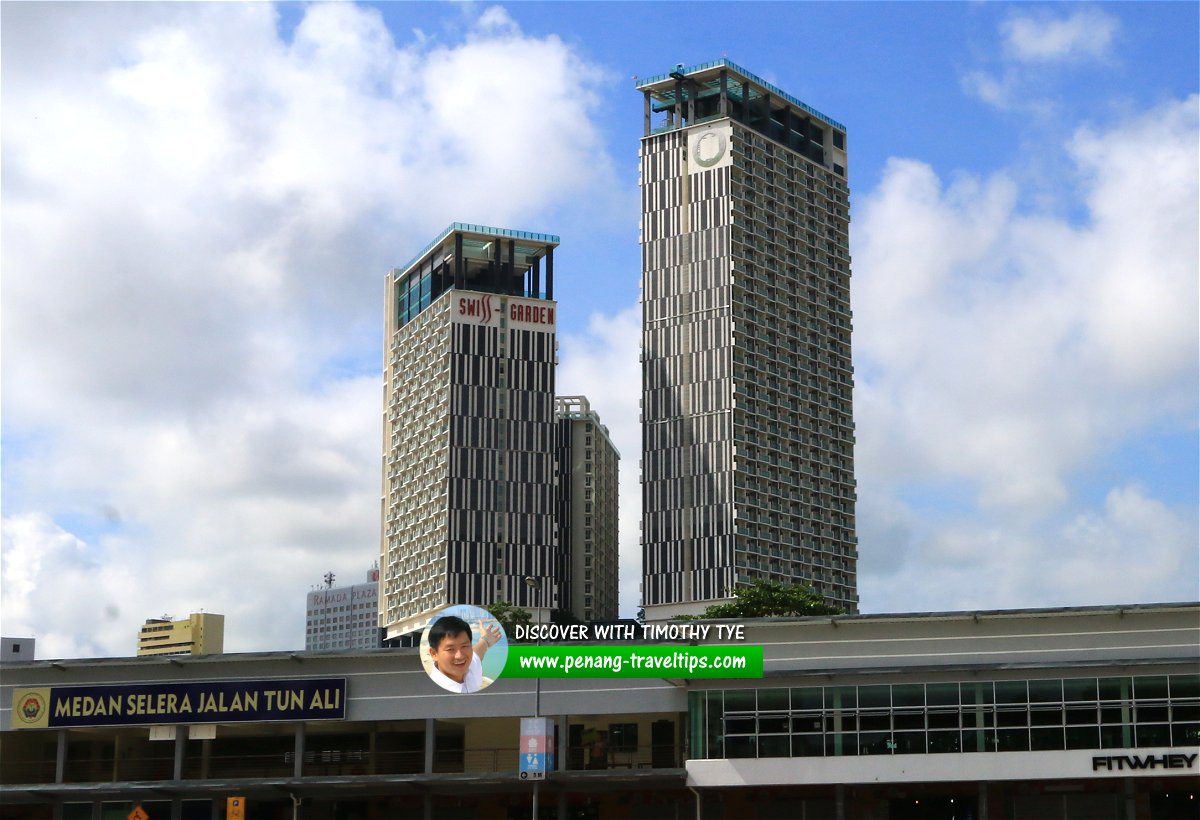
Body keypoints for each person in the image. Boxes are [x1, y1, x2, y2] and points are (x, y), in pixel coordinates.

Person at [426, 615, 502, 693]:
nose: (460, 656)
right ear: (434, 654)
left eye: (464, 646)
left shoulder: (470, 668)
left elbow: (478, 652)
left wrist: (485, 639)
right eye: (450, 649)